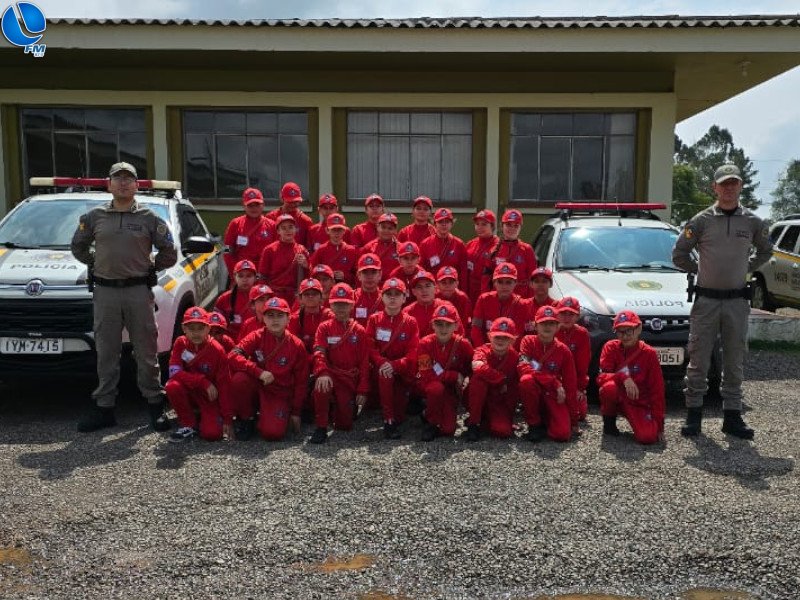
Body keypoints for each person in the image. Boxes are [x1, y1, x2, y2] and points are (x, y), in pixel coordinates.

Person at [71, 162, 178, 433]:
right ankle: (104, 408)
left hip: (137, 292)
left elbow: (169, 250)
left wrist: (150, 268)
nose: (122, 183)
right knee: (107, 352)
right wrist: (96, 263)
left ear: (136, 185)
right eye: (117, 179)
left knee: (146, 351)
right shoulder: (94, 217)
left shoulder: (149, 218)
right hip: (105, 292)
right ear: (109, 184)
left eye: (128, 179)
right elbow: (78, 246)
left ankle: (155, 404)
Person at [672, 163, 773, 439]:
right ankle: (694, 415)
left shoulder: (753, 222)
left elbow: (766, 250)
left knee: (734, 358)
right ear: (714, 187)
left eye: (734, 183)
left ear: (740, 186)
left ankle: (732, 416)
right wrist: (700, 270)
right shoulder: (701, 221)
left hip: (737, 302)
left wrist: (748, 265)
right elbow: (679, 255)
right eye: (724, 183)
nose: (729, 188)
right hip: (706, 301)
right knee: (699, 359)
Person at [228, 297, 309, 441]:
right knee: (239, 379)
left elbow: (301, 381)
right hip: (259, 384)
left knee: (272, 434)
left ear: (288, 318)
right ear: (263, 318)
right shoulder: (256, 336)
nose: (275, 320)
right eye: (270, 315)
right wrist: (258, 371)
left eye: (280, 315)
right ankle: (248, 419)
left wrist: (296, 412)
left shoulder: (297, 345)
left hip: (279, 393)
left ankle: (268, 416)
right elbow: (233, 355)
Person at [309, 283, 371, 444]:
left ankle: (337, 409)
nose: (341, 308)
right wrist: (322, 372)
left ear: (352, 305)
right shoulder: (324, 328)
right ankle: (321, 426)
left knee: (344, 425)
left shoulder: (359, 330)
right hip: (331, 374)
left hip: (349, 379)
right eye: (337, 304)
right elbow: (319, 352)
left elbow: (365, 361)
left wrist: (362, 389)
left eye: (345, 304)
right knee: (321, 387)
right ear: (330, 305)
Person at [597, 310, 665, 445]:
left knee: (648, 437)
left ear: (638, 328)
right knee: (608, 388)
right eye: (620, 332)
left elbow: (657, 389)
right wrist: (624, 377)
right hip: (620, 396)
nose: (625, 336)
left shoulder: (649, 353)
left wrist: (659, 425)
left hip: (639, 402)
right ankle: (609, 424)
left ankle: (639, 420)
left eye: (629, 330)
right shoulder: (610, 347)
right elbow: (601, 377)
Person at [366, 278, 420, 439]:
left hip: (402, 371)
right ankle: (388, 420)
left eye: (397, 294)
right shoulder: (374, 319)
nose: (392, 298)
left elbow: (414, 351)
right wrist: (383, 363)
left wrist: (395, 365)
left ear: (404, 298)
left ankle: (401, 407)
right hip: (381, 370)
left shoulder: (410, 322)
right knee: (385, 374)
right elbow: (370, 346)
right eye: (388, 294)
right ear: (381, 297)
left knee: (401, 415)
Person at [164, 307, 229, 442]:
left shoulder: (217, 350)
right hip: (191, 391)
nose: (196, 333)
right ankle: (188, 424)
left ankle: (206, 416)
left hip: (209, 397)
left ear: (208, 328)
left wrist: (228, 419)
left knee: (212, 435)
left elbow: (224, 385)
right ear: (184, 328)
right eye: (191, 328)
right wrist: (202, 381)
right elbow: (173, 371)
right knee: (172, 386)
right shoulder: (180, 343)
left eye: (200, 328)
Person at [518, 306, 578, 443]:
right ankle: (534, 425)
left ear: (558, 326)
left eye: (551, 323)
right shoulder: (527, 342)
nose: (547, 327)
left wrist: (573, 419)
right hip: (536, 390)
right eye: (543, 323)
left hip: (553, 394)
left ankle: (547, 420)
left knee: (562, 435)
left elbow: (570, 383)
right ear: (535, 325)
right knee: (526, 380)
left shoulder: (563, 350)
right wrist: (553, 381)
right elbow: (523, 367)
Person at [416, 303, 473, 441]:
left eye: (448, 324)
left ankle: (427, 412)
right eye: (439, 324)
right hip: (430, 385)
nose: (443, 328)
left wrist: (465, 381)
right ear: (432, 325)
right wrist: (453, 375)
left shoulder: (463, 344)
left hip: (451, 390)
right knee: (436, 389)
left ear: (456, 326)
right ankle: (430, 423)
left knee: (448, 430)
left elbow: (471, 369)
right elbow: (426, 374)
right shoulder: (424, 343)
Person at [464, 317, 520, 441]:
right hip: (477, 398)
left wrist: (509, 416)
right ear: (490, 336)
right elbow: (478, 367)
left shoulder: (515, 357)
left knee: (503, 431)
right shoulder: (481, 350)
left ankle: (485, 420)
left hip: (498, 402)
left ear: (513, 340)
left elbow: (513, 390)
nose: (500, 340)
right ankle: (473, 423)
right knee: (478, 380)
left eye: (505, 337)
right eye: (497, 337)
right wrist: (501, 379)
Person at [470, 262, 533, 349]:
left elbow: (528, 334)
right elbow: (476, 329)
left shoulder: (523, 305)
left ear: (515, 283)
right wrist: (483, 350)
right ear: (494, 283)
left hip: (512, 354)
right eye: (500, 282)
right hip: (487, 352)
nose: (504, 286)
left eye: (508, 282)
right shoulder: (483, 300)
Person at [481, 209, 537, 298]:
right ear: (502, 226)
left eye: (516, 226)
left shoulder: (527, 250)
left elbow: (533, 280)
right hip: (499, 300)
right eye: (508, 225)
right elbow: (486, 279)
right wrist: (486, 299)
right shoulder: (494, 250)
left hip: (521, 300)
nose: (512, 229)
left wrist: (529, 303)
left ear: (520, 228)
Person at [222, 187, 275, 275]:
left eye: (257, 205)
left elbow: (277, 252)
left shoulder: (272, 225)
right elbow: (227, 250)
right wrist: (235, 273)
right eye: (250, 205)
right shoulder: (235, 224)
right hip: (242, 274)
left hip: (264, 274)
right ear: (244, 206)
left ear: (263, 205)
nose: (254, 208)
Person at [258, 214, 309, 304]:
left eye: (290, 227)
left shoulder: (301, 250)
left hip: (295, 297)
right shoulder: (270, 250)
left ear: (295, 229)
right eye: (283, 228)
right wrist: (266, 297)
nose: (288, 231)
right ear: (278, 231)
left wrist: (306, 265)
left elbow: (309, 277)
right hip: (274, 295)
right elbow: (262, 277)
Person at [555, 296, 591, 421]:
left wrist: (579, 388)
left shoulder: (582, 334)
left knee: (580, 414)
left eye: (571, 314)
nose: (566, 317)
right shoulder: (549, 329)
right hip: (552, 379)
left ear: (577, 316)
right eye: (563, 313)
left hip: (572, 381)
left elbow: (583, 365)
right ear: (557, 314)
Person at [404, 270, 464, 339]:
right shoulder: (407, 312)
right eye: (419, 287)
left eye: (428, 286)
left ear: (435, 289)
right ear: (414, 291)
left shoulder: (447, 307)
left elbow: (459, 334)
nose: (424, 290)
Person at [419, 208, 468, 289]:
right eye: (440, 222)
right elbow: (421, 270)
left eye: (447, 222)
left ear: (452, 224)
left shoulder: (459, 244)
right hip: (433, 290)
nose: (444, 225)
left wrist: (463, 291)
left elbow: (463, 272)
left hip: (452, 290)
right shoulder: (425, 244)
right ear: (434, 224)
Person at [214, 259, 257, 341]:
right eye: (240, 276)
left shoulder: (262, 297)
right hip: (231, 341)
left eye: (249, 276)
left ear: (255, 278)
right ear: (234, 277)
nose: (245, 279)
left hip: (255, 339)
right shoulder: (224, 299)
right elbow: (216, 326)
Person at [310, 213, 358, 286]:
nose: (336, 233)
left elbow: (358, 275)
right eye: (333, 230)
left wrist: (345, 276)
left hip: (346, 289)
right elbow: (313, 272)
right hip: (326, 290)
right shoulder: (321, 250)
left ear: (344, 231)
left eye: (339, 230)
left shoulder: (352, 251)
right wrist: (328, 275)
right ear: (327, 230)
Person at [265, 181, 314, 248]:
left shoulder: (306, 221)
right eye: (290, 201)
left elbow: (309, 247)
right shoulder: (271, 217)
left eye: (296, 202)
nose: (293, 204)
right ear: (282, 199)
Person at [465, 209, 499, 304]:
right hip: (470, 292)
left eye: (484, 224)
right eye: (477, 224)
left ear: (492, 226)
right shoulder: (470, 244)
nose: (479, 227)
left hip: (488, 292)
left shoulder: (498, 246)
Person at [362, 212, 401, 280]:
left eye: (390, 228)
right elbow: (361, 271)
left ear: (395, 230)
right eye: (383, 227)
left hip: (394, 287)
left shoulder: (400, 248)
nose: (386, 231)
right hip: (374, 286)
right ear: (377, 227)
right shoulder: (368, 248)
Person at [353, 253, 384, 327]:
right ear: (359, 275)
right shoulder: (351, 297)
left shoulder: (387, 298)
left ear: (380, 274)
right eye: (365, 272)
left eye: (373, 272)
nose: (369, 277)